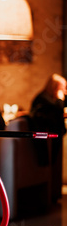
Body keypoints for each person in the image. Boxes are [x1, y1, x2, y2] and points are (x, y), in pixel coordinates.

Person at [29, 73, 67, 202]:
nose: (65, 91)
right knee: (53, 163)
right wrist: (60, 99)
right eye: (63, 88)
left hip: (51, 137)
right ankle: (52, 194)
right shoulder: (44, 99)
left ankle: (54, 193)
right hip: (47, 139)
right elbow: (58, 111)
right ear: (55, 87)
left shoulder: (47, 99)